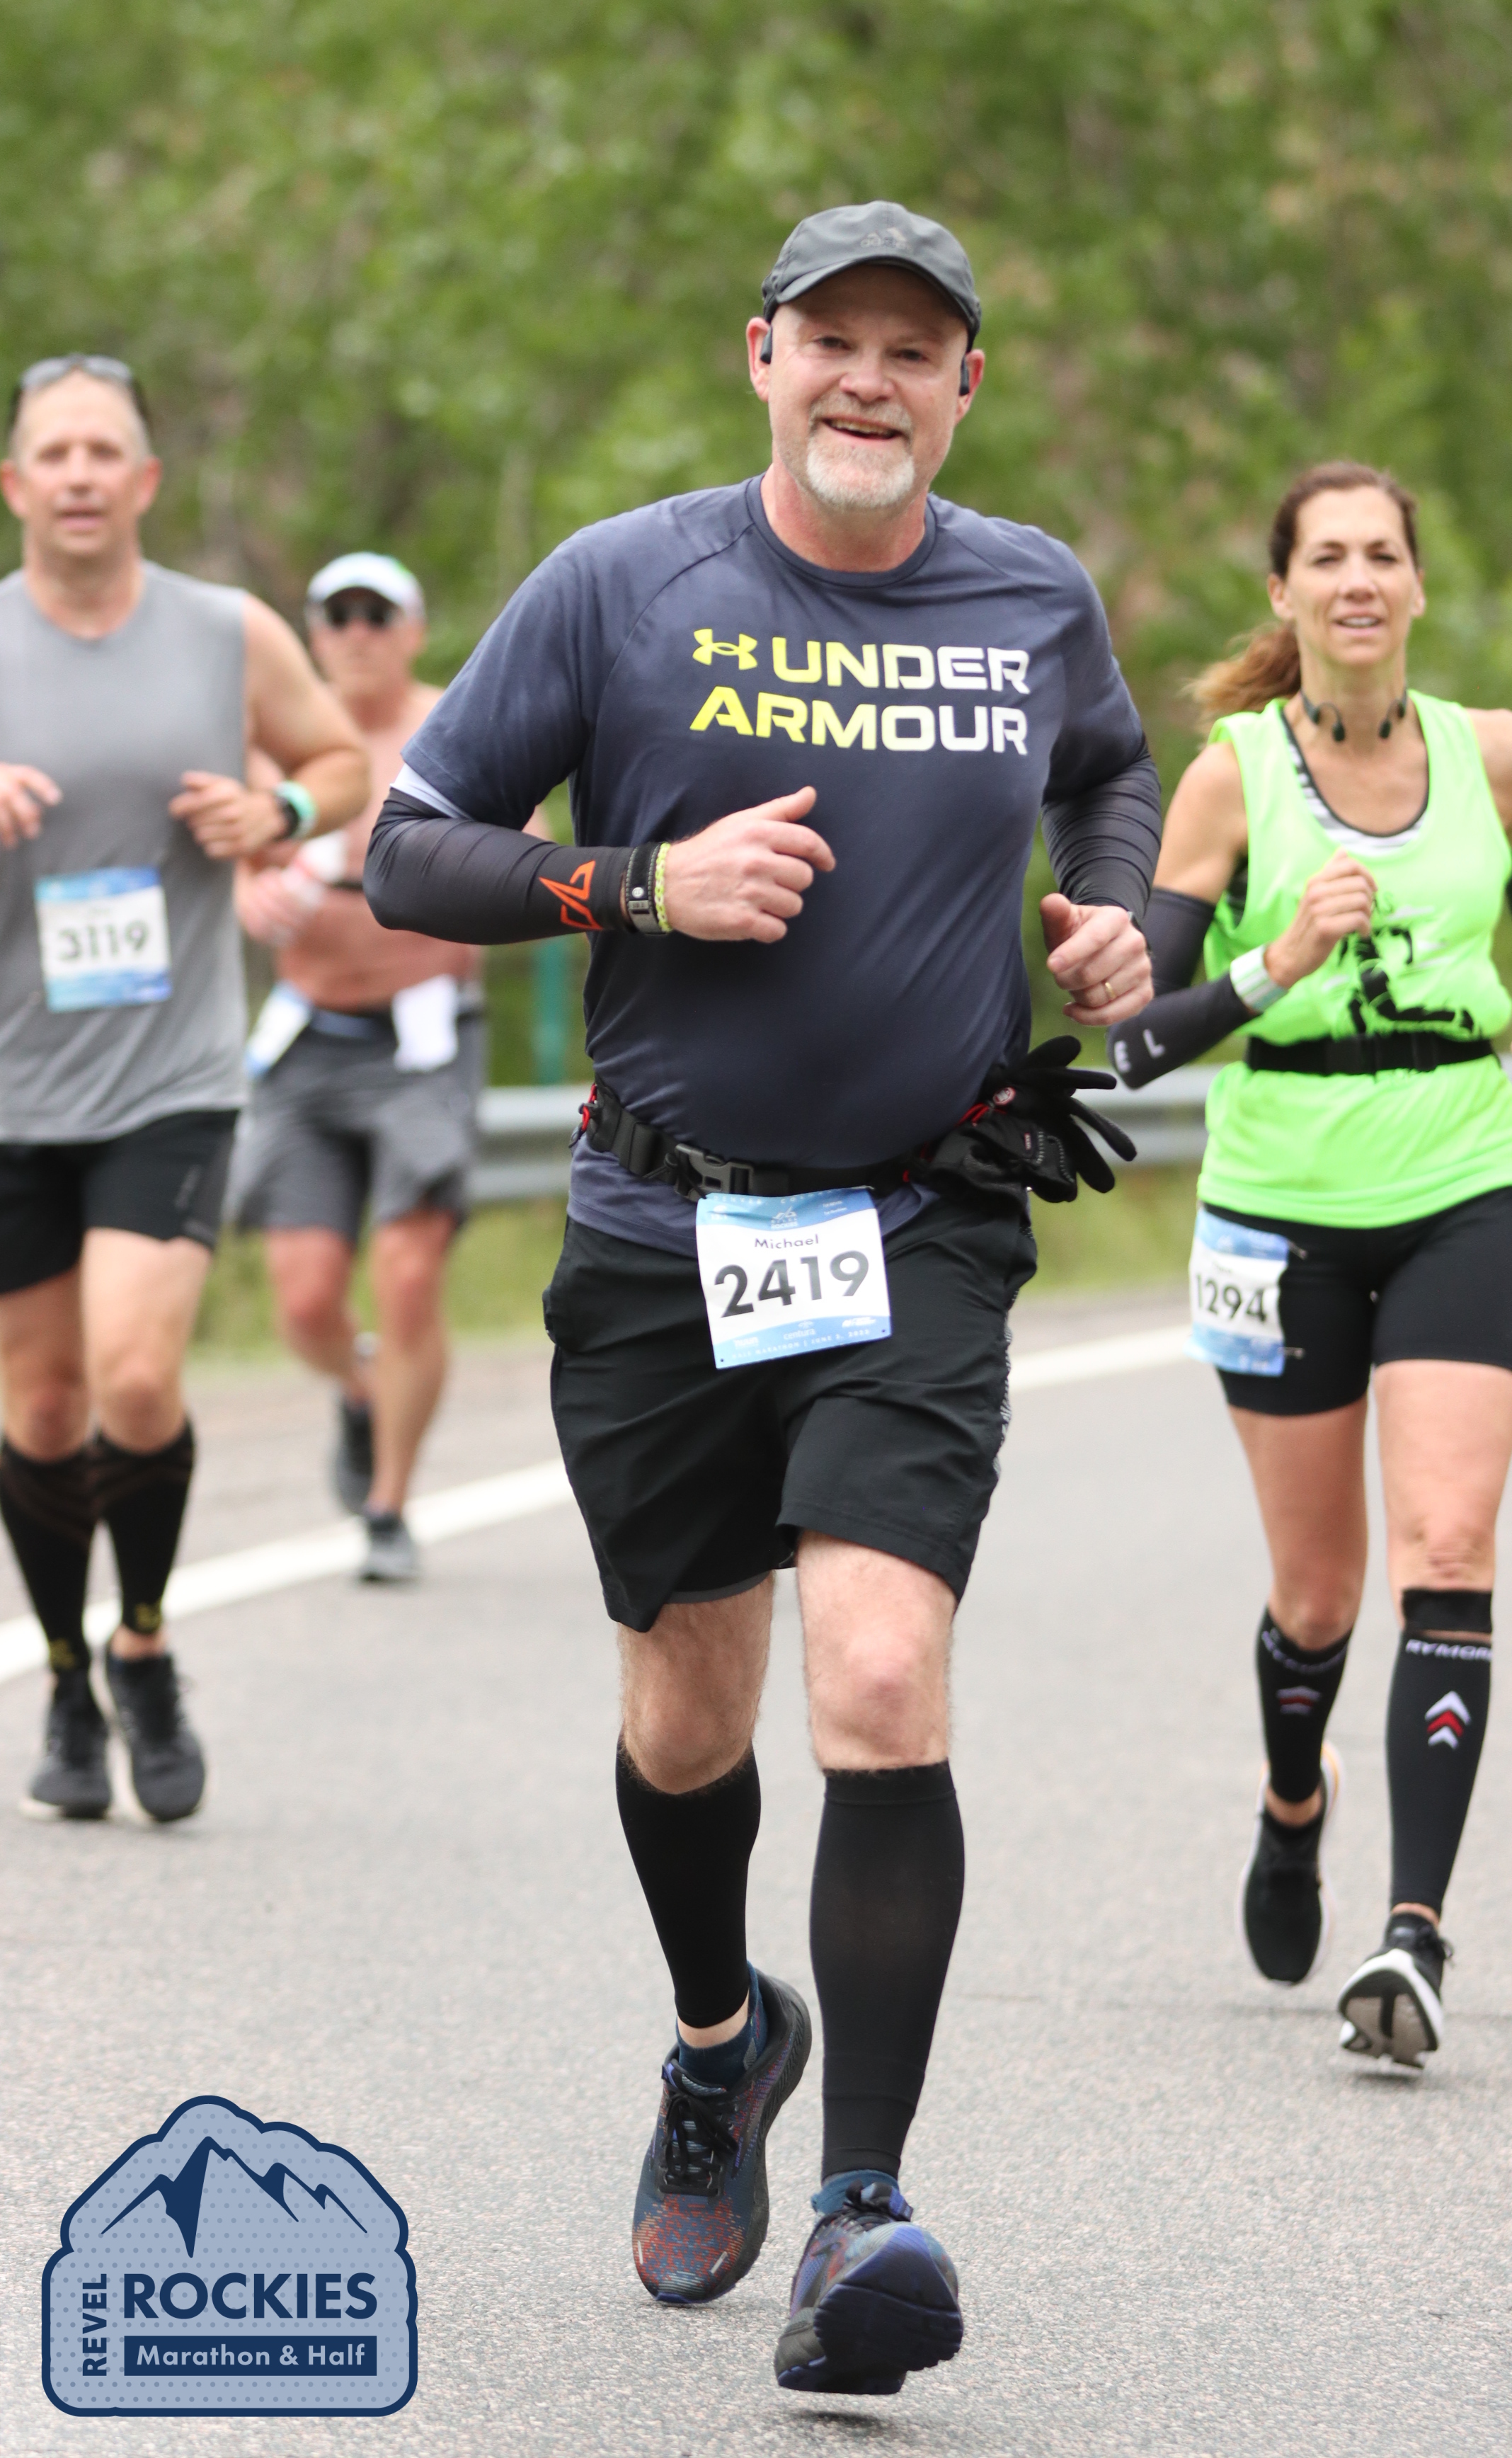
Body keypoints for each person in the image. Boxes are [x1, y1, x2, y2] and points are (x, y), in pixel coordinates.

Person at [364, 201, 1160, 2394]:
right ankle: (722, 2041)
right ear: (763, 358)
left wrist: (1112, 916)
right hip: (661, 1235)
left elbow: (1109, 776)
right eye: (833, 341)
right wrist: (638, 884)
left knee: (880, 1675)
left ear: (966, 385)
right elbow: (410, 845)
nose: (869, 381)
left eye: (914, 349)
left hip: (922, 1222)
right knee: (687, 1719)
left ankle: (862, 2217)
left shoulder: (1030, 596)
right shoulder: (626, 584)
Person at [1107, 460, 1512, 2069]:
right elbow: (1133, 1037)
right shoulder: (1229, 780)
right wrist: (1278, 958)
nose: (1354, 579)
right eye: (1323, 556)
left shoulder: (1500, 756)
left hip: (1465, 1173)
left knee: (1446, 1543)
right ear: (1283, 592)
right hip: (1278, 1204)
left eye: (1380, 553)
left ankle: (1412, 1931)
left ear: (1413, 585)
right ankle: (1290, 1801)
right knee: (1318, 1593)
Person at [0, 357, 367, 1822]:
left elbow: (340, 761)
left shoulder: (224, 631)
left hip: (172, 1070)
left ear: (146, 480)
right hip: (11, 1082)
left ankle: (144, 1644)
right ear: (15, 485)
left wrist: (279, 808)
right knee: (41, 1404)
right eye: (54, 453)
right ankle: (65, 1674)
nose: (81, 474)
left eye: (106, 450)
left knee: (137, 1376)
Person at [229, 552, 481, 1584]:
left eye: (379, 613)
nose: (359, 634)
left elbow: (526, 853)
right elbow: (233, 861)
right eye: (339, 616)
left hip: (423, 1036)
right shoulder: (275, 740)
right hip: (307, 1033)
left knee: (409, 1276)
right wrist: (251, 891)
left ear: (413, 629)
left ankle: (388, 1507)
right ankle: (361, 1388)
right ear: (314, 634)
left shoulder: (460, 723)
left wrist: (383, 866)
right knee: (302, 1299)